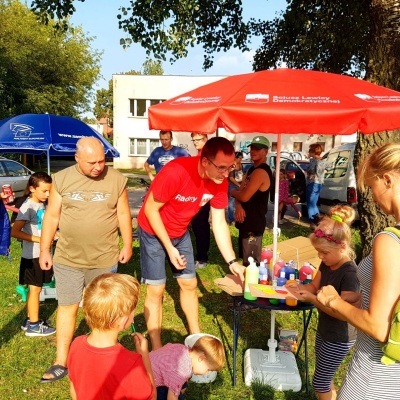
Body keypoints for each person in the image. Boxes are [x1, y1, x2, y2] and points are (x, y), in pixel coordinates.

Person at [39, 137, 133, 383]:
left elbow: (123, 213)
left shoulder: (116, 180)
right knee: (67, 307)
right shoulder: (62, 179)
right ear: (77, 159)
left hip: (104, 257)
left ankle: (99, 358)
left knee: (101, 312)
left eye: (102, 161)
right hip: (68, 258)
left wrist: (128, 244)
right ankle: (61, 361)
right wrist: (44, 250)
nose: (98, 167)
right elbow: (51, 216)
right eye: (92, 162)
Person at [137, 136, 245, 350]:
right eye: (222, 168)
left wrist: (232, 262)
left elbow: (219, 222)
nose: (226, 175)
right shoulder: (177, 171)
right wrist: (169, 248)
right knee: (156, 289)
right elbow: (150, 209)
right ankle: (157, 347)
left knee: (189, 283)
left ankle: (195, 336)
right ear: (205, 161)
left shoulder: (219, 181)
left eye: (230, 168)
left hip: (180, 231)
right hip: (152, 230)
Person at [316, 143, 400, 400]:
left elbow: (378, 327)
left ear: (387, 180)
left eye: (371, 187)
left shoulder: (390, 241)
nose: (372, 198)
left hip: (374, 375)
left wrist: (333, 301)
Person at [287, 205, 360, 400]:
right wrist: (299, 288)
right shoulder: (328, 261)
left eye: (324, 252)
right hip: (325, 329)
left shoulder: (349, 273)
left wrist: (311, 298)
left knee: (319, 381)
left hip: (340, 336)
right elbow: (313, 285)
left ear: (342, 247)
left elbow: (342, 311)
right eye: (318, 252)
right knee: (325, 376)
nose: (320, 257)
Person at [67, 273, 155, 400]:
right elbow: (151, 396)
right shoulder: (131, 363)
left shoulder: (76, 344)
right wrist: (144, 355)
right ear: (124, 320)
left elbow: (74, 390)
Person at [10, 172, 55, 336]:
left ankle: (30, 319)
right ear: (32, 189)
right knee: (35, 290)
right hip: (33, 255)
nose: (48, 194)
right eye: (44, 191)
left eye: (50, 191)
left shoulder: (40, 204)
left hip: (40, 253)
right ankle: (34, 327)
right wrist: (39, 239)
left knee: (34, 289)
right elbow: (15, 231)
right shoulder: (28, 206)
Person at [230, 136, 272, 266]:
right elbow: (241, 191)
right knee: (245, 260)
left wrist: (232, 192)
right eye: (252, 148)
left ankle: (251, 285)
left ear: (265, 152)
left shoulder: (261, 171)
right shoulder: (251, 169)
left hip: (254, 222)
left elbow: (243, 196)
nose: (253, 151)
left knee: (252, 262)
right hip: (245, 219)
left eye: (257, 149)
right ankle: (246, 283)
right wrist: (238, 206)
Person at [149, 335, 225, 400]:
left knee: (183, 383)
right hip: (148, 383)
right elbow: (171, 398)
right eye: (208, 369)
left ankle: (177, 391)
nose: (206, 373)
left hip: (148, 366)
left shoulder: (183, 349)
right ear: (201, 358)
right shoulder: (180, 371)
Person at [190, 132, 210, 269]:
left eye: (198, 140)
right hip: (197, 194)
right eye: (193, 140)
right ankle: (200, 255)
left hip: (204, 195)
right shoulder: (199, 154)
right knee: (198, 225)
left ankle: (202, 257)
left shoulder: (207, 154)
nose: (195, 142)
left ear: (205, 139)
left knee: (200, 225)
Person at [306, 143, 325, 226]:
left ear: (313, 152)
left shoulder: (313, 160)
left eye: (310, 151)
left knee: (310, 205)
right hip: (319, 183)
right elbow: (330, 167)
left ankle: (313, 223)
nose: (309, 152)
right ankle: (319, 222)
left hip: (312, 183)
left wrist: (311, 174)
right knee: (314, 204)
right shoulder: (323, 160)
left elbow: (310, 170)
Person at [227, 151, 243, 224]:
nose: (241, 159)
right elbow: (231, 178)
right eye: (239, 158)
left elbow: (242, 175)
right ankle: (231, 219)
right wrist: (238, 185)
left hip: (240, 185)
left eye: (241, 158)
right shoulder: (232, 165)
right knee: (231, 202)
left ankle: (238, 217)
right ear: (236, 158)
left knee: (239, 202)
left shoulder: (241, 165)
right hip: (232, 185)